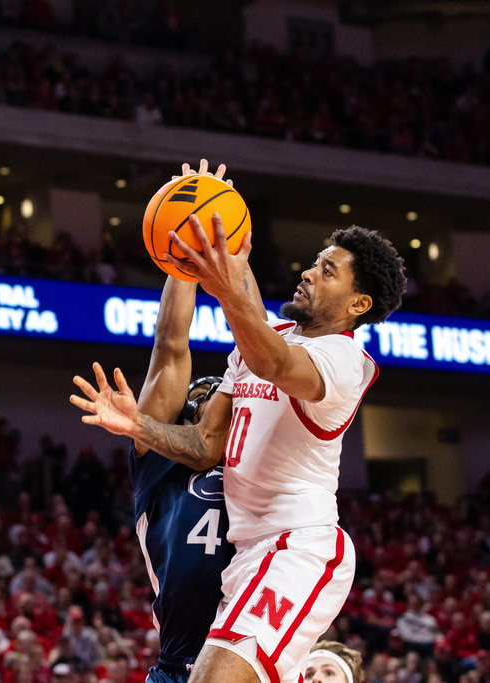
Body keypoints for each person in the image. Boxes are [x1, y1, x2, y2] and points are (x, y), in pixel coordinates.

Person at [71, 164, 406, 683]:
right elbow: (206, 443)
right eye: (314, 262)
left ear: (357, 304)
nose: (308, 272)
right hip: (250, 555)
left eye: (327, 271)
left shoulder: (343, 361)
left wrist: (225, 276)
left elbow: (270, 357)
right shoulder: (264, 336)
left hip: (299, 544)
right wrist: (139, 425)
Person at [125, 161, 270, 683]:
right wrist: (183, 257)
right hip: (178, 664)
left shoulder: (258, 458)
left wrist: (229, 248)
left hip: (255, 657)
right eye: (201, 392)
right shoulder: (157, 460)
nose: (212, 393)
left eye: (222, 393)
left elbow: (260, 350)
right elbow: (170, 350)